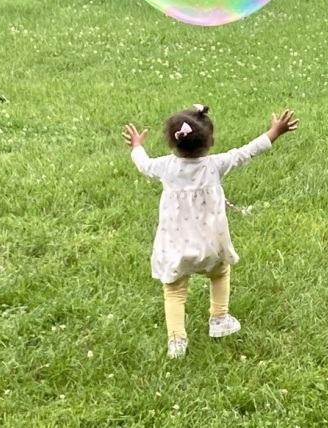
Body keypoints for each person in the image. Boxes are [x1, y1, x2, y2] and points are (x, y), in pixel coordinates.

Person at [122, 104, 298, 359]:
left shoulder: (165, 167)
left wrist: (137, 145)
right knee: (220, 273)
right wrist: (275, 132)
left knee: (173, 290)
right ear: (211, 141)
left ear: (172, 143)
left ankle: (176, 341)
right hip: (211, 245)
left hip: (175, 246)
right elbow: (246, 152)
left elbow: (143, 164)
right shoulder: (216, 165)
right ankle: (219, 318)